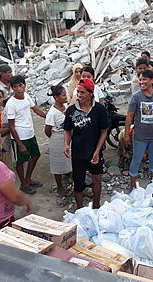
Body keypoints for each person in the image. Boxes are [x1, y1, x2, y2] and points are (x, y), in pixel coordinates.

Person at [64, 78, 109, 209]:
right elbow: (67, 130)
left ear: (91, 93)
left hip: (95, 152)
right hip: (77, 153)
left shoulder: (100, 109)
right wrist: (67, 145)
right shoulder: (71, 110)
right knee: (78, 182)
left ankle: (96, 206)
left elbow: (104, 131)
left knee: (97, 179)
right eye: (78, 92)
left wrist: (96, 151)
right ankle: (79, 209)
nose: (79, 95)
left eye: (82, 92)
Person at [124, 69, 153, 189]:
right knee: (137, 159)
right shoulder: (136, 97)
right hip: (140, 136)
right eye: (140, 79)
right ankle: (132, 184)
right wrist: (126, 134)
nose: (141, 82)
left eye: (144, 79)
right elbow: (129, 116)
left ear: (152, 80)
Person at [6, 75, 46, 194]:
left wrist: (48, 117)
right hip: (20, 136)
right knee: (21, 161)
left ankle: (28, 179)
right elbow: (11, 126)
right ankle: (23, 183)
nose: (19, 89)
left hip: (30, 134)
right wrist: (19, 144)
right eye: (15, 86)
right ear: (12, 88)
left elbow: (35, 109)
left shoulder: (27, 97)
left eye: (21, 85)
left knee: (35, 156)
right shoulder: (11, 104)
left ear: (25, 85)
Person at [44, 85, 72, 196]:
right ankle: (60, 187)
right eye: (63, 95)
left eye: (66, 94)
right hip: (57, 138)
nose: (66, 97)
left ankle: (73, 182)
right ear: (56, 97)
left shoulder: (65, 106)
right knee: (57, 164)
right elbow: (47, 130)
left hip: (67, 136)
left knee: (69, 160)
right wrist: (55, 137)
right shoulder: (52, 113)